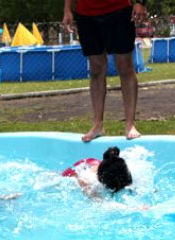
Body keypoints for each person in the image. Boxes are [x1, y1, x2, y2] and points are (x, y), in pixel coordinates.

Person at [62, 0, 147, 142]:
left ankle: (130, 124)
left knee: (125, 66)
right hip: (86, 14)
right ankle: (97, 125)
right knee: (96, 69)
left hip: (118, 10)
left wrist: (140, 3)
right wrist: (67, 10)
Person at [62, 146, 133, 198]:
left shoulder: (124, 175)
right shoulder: (90, 182)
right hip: (78, 170)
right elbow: (103, 203)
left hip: (100, 165)